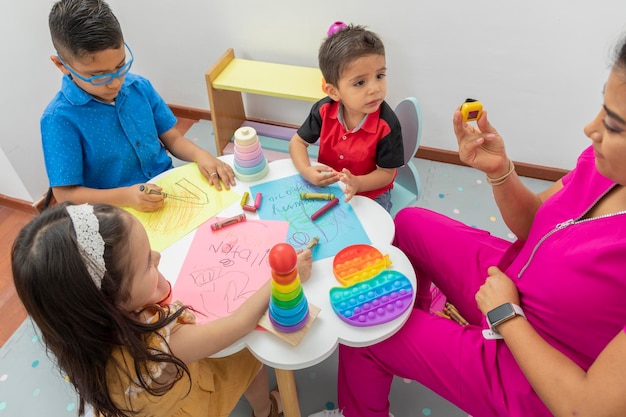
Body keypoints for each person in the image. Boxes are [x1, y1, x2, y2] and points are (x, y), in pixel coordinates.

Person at [309, 35, 626, 417]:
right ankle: (422, 316)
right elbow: (535, 226)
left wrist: (506, 314)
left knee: (366, 335)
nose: (590, 129)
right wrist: (500, 172)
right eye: (602, 110)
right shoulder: (601, 162)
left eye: (613, 124)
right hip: (509, 282)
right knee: (408, 223)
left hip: (531, 370)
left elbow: (585, 409)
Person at [11, 202, 313, 417]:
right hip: (186, 401)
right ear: (111, 302)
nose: (157, 255)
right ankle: (265, 410)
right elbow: (240, 323)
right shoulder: (162, 345)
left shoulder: (74, 334)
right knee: (247, 354)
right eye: (146, 263)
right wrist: (284, 277)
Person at [41, 0, 235, 213]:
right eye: (98, 76)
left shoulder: (139, 87)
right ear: (62, 65)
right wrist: (126, 196)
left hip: (166, 189)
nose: (115, 82)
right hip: (115, 213)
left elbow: (174, 139)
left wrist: (201, 155)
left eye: (120, 66)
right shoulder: (58, 119)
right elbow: (66, 194)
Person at [288, 24, 404, 212]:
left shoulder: (387, 125)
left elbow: (387, 173)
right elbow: (297, 143)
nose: (375, 88)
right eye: (360, 82)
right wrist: (306, 171)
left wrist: (358, 183)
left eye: (380, 75)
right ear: (333, 91)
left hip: (371, 190)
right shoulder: (324, 110)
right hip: (331, 185)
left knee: (371, 233)